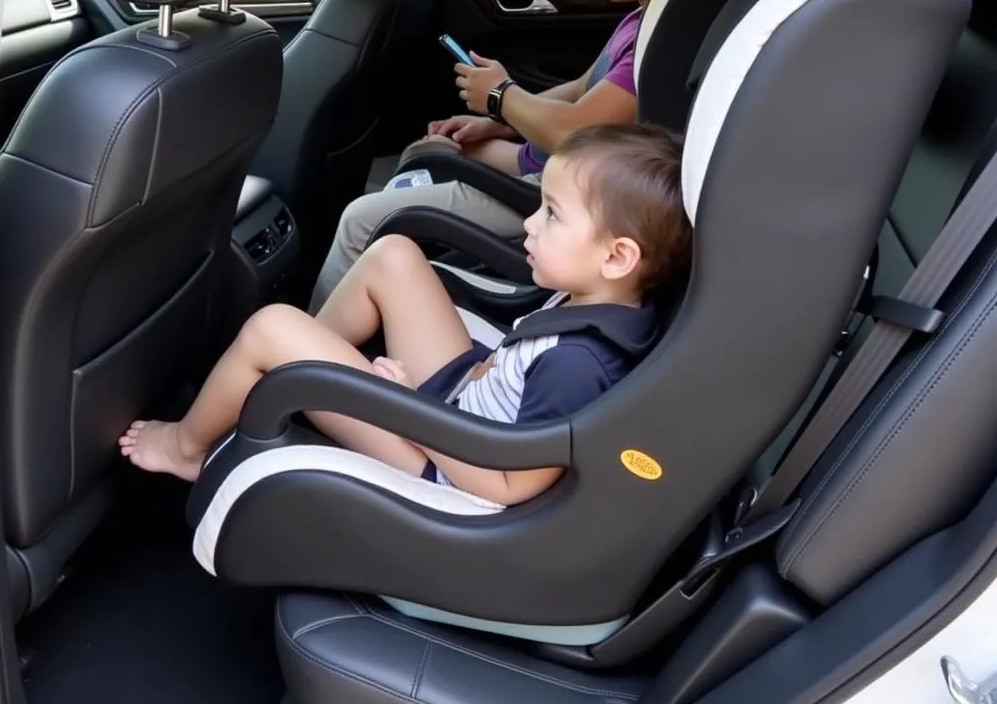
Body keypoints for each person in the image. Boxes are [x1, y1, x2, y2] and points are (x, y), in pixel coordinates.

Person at [119, 123, 692, 507]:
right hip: (462, 405)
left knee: (271, 326)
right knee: (394, 256)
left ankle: (187, 449)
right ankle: (291, 375)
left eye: (552, 214)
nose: (528, 224)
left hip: (443, 460)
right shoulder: (603, 299)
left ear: (618, 256)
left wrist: (412, 407)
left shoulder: (579, 366)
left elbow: (507, 485)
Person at [308, 0, 712, 309]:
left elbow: (576, 132)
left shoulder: (663, 48)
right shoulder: (645, 19)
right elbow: (582, 88)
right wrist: (502, 122)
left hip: (553, 190)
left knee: (360, 218)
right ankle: (393, 281)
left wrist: (502, 97)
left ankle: (315, 346)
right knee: (429, 148)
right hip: (546, 165)